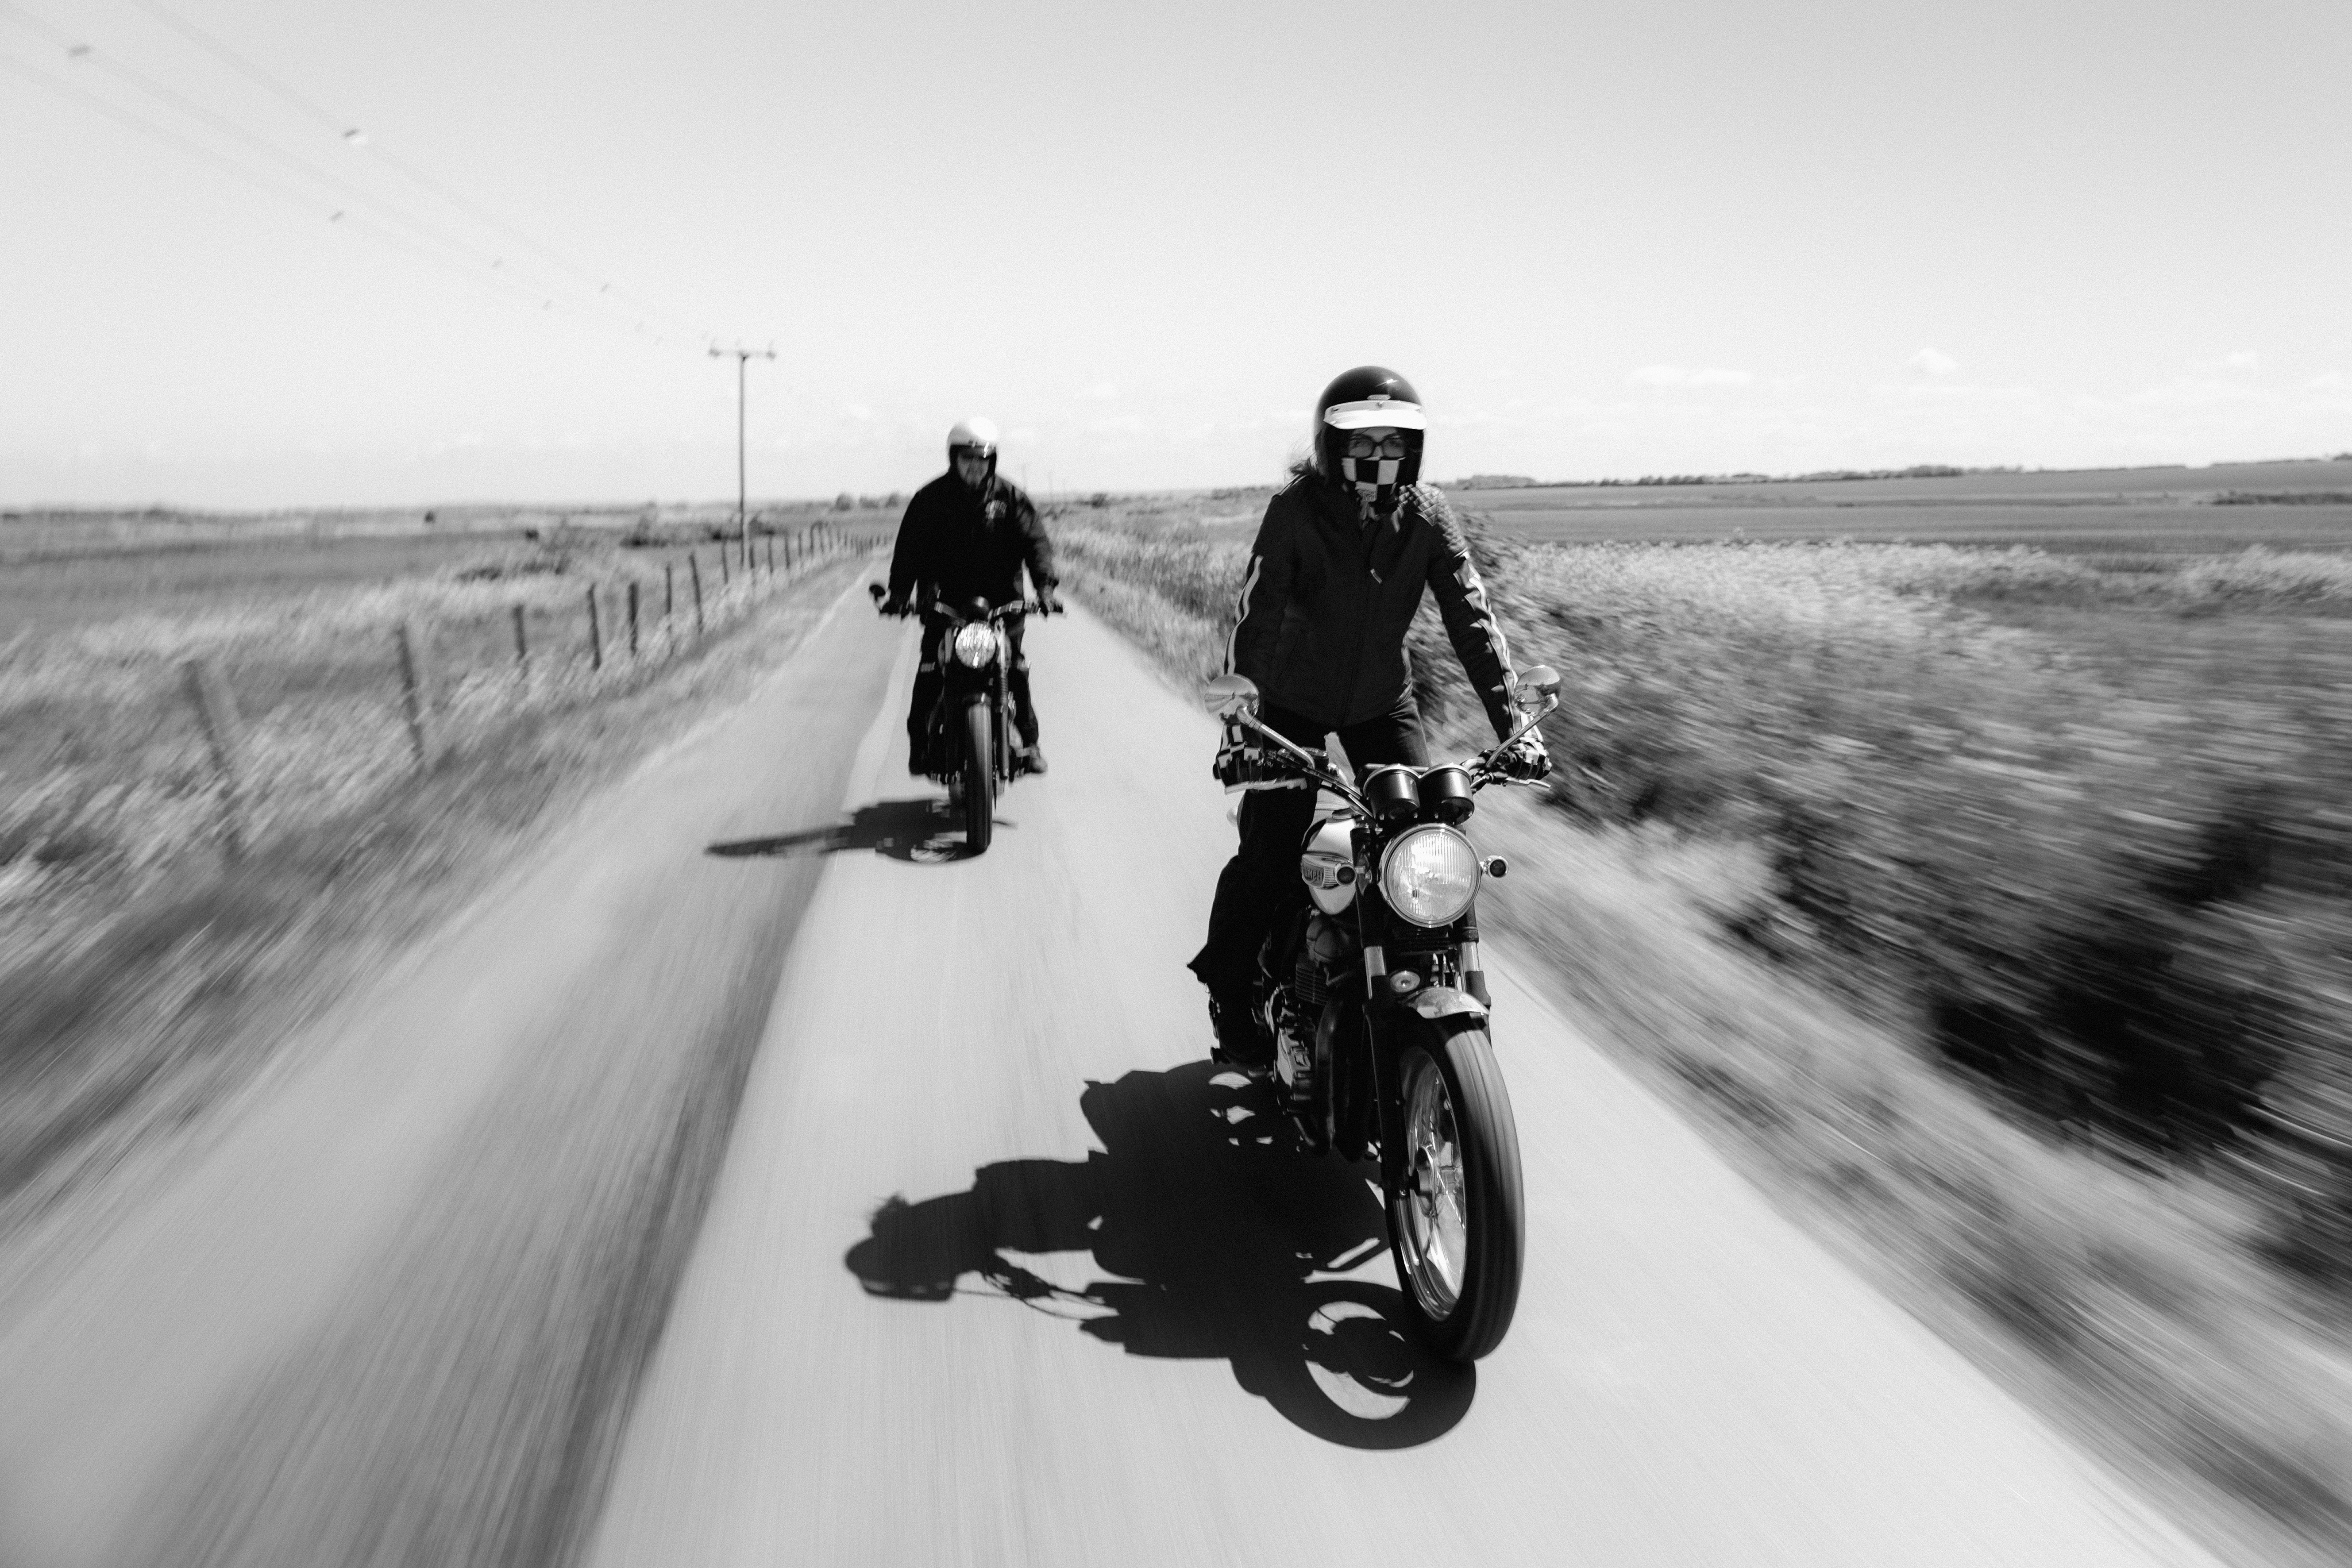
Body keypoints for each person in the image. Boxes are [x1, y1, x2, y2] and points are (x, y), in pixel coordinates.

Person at [1188, 366, 1549, 1067]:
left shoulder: (1427, 515)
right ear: (1332, 446)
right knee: (1269, 854)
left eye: (1394, 441)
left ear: (1412, 451)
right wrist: (1242, 731)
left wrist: (1515, 725)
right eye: (1363, 439)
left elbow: (1471, 620)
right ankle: (1233, 996)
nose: (1379, 453)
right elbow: (1255, 620)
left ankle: (1410, 992)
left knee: (1423, 838)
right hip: (1288, 702)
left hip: (1381, 700)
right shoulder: (1296, 509)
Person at [884, 416, 1060, 775]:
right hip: (944, 604)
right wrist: (901, 594)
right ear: (954, 459)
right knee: (931, 670)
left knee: (1015, 669)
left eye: (983, 459)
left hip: (1002, 604)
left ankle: (1028, 743)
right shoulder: (930, 500)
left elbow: (1036, 543)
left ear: (992, 461)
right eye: (968, 459)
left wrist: (1044, 588)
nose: (975, 467)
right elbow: (909, 549)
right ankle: (920, 745)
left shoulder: (1010, 499)